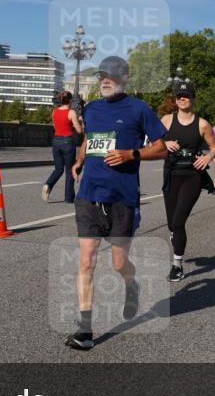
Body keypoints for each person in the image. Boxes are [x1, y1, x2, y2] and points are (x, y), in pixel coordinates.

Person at [66, 56, 168, 350]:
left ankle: (131, 285)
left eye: (111, 76)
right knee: (86, 261)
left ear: (125, 79)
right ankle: (85, 330)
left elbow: (161, 148)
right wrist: (80, 159)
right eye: (101, 77)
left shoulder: (139, 109)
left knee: (119, 262)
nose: (105, 81)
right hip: (89, 195)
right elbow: (90, 137)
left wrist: (130, 155)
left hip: (122, 198)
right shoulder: (94, 108)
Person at [161, 81, 215, 282]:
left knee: (178, 222)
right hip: (171, 175)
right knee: (171, 224)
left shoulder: (202, 124)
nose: (182, 99)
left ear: (192, 99)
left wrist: (207, 157)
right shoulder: (167, 120)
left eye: (186, 96)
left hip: (191, 176)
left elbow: (214, 148)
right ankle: (176, 238)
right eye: (179, 96)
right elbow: (153, 142)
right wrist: (164, 143)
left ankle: (177, 265)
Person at [42, 90, 84, 203]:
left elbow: (56, 127)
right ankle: (68, 198)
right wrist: (79, 121)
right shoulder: (71, 112)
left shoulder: (54, 112)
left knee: (58, 168)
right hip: (67, 142)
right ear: (70, 101)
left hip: (56, 141)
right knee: (69, 170)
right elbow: (79, 131)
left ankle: (48, 184)